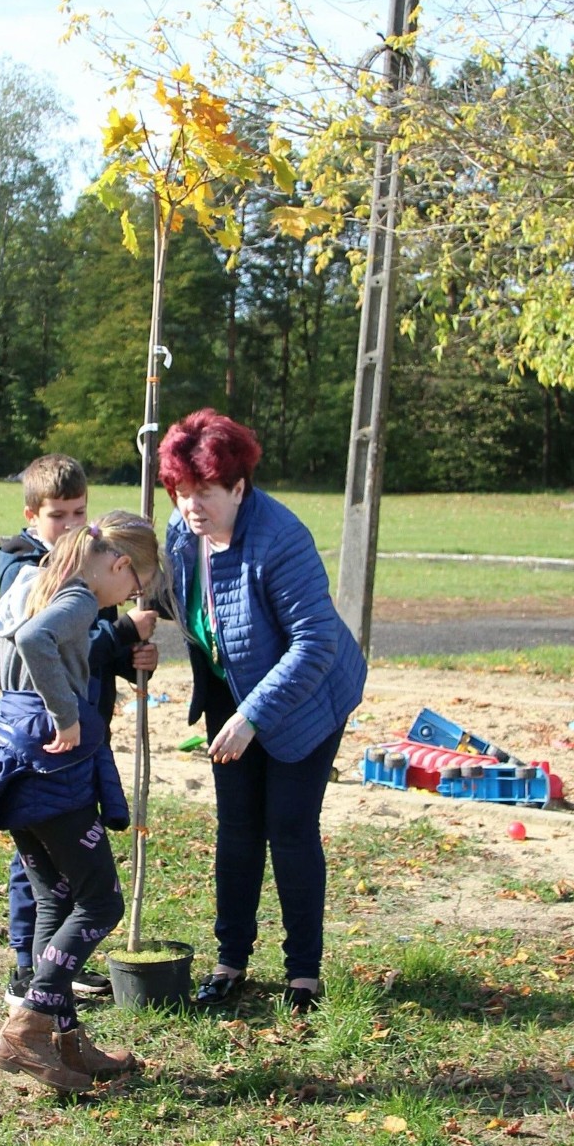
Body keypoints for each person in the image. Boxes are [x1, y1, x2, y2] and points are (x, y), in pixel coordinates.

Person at [0, 512, 164, 1090]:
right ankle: (27, 1029)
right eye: (134, 586)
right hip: (50, 766)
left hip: (9, 756)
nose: (129, 597)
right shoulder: (80, 598)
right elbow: (39, 639)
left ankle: (65, 1040)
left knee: (54, 900)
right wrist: (61, 711)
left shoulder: (28, 583)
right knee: (100, 902)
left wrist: (20, 692)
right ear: (119, 565)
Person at [157, 409, 367, 1011]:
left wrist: (254, 717)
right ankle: (230, 963)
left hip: (307, 695)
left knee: (289, 826)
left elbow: (315, 642)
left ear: (239, 487)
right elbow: (190, 604)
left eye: (207, 493)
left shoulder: (280, 537)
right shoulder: (181, 532)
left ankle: (304, 973)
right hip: (232, 689)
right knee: (238, 827)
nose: (193, 506)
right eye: (182, 491)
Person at [0, 454, 157, 1003]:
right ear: (32, 515)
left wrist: (129, 656)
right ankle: (32, 984)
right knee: (88, 894)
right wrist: (53, 708)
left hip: (64, 738)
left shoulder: (78, 572)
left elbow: (70, 650)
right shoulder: (36, 570)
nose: (73, 526)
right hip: (53, 746)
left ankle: (46, 1003)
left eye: (82, 513)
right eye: (60, 516)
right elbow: (39, 643)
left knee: (59, 885)